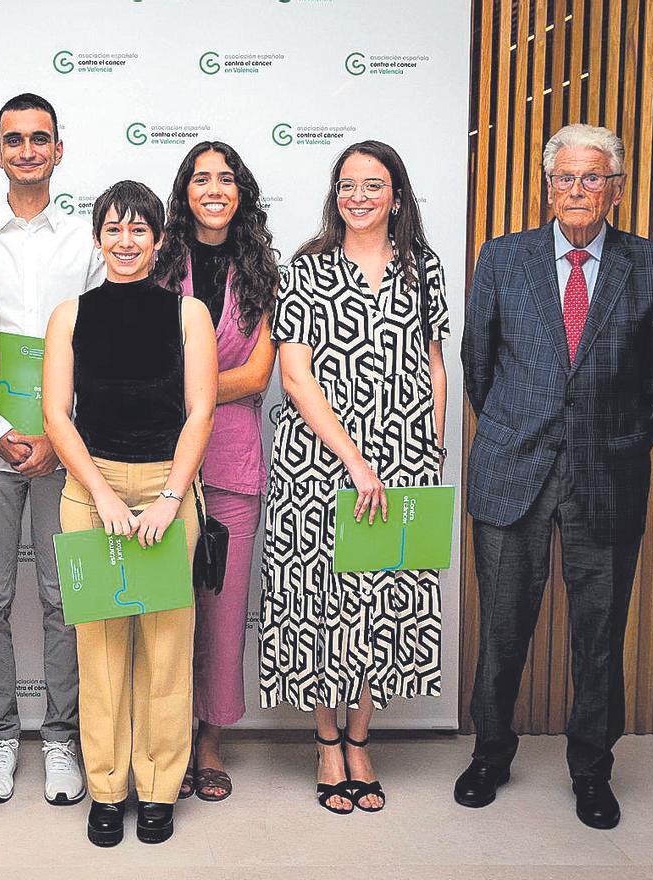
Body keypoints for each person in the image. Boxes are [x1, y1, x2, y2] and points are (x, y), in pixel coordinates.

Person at [458, 123, 653, 829]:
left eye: (592, 177)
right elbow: (479, 362)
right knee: (502, 628)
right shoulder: (504, 257)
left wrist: (622, 443)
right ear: (548, 186)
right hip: (513, 469)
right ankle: (490, 754)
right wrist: (518, 426)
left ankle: (591, 769)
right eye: (565, 178)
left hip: (607, 475)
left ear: (616, 188)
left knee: (598, 634)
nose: (577, 190)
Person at [260, 140, 449, 814]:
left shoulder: (423, 267)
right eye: (347, 184)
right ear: (334, 195)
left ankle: (361, 737)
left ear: (397, 196)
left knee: (386, 602)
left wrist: (430, 448)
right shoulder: (305, 269)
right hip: (317, 464)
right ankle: (326, 740)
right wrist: (356, 461)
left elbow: (433, 364)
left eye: (373, 184)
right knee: (319, 602)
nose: (359, 196)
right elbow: (295, 377)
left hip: (403, 463)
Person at [43, 180, 217, 846]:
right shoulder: (70, 316)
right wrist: (104, 494)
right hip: (93, 490)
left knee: (168, 650)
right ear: (97, 238)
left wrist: (171, 496)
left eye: (138, 229)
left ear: (158, 239)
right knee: (101, 650)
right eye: (113, 229)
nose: (125, 241)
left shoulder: (188, 314)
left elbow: (200, 411)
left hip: (170, 489)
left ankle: (160, 788)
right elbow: (57, 415)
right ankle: (108, 789)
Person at [0, 92, 104, 806]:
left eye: (39, 138)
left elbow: (97, 348)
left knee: (62, 598)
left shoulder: (86, 242)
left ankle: (59, 737)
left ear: (59, 149)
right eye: (14, 139)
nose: (27, 150)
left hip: (63, 450)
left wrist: (59, 433)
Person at [156, 141, 279, 802]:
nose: (213, 188)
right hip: (159, 460)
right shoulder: (157, 261)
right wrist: (193, 390)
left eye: (225, 178)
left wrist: (183, 389)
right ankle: (168, 737)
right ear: (185, 191)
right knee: (167, 610)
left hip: (231, 460)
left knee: (224, 612)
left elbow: (258, 374)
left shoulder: (260, 269)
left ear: (241, 191)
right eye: (200, 178)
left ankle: (210, 740)